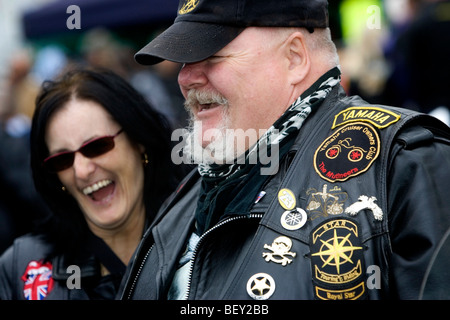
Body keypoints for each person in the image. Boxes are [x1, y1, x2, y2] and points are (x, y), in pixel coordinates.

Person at [120, 0, 450, 300]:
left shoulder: (405, 160)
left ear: (294, 58)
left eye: (211, 56)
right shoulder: (191, 193)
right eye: (184, 59)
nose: (186, 77)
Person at [0, 68, 186, 300]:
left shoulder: (203, 243)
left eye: (97, 146)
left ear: (139, 142)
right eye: (62, 159)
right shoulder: (20, 269)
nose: (81, 170)